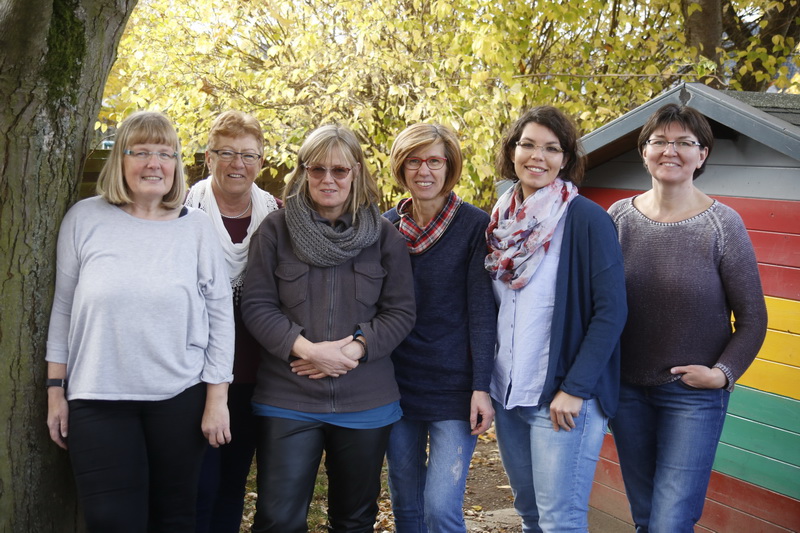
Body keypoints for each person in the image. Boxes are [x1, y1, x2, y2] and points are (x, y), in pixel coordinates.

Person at [45, 111, 235, 532]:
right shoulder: (84, 219)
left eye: (165, 154)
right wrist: (55, 389)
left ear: (176, 164)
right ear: (121, 160)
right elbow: (64, 308)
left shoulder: (197, 228)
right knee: (111, 521)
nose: (154, 163)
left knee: (174, 519)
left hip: (179, 397)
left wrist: (217, 399)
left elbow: (221, 316)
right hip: (97, 398)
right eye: (142, 152)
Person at [240, 124, 416, 533]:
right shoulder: (276, 230)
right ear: (303, 172)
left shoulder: (384, 236)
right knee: (278, 521)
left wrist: (352, 351)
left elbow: (400, 311)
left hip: (366, 401)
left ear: (356, 172)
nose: (328, 179)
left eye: (339, 170)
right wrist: (308, 350)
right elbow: (257, 305)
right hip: (288, 397)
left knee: (354, 521)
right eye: (317, 169)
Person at [607, 103, 768, 533]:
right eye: (659, 141)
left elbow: (753, 318)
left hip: (692, 397)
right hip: (626, 393)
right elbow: (596, 304)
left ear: (702, 155)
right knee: (646, 518)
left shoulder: (723, 225)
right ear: (644, 152)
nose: (670, 151)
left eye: (684, 142)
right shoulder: (618, 219)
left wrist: (722, 374)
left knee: (670, 522)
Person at [486, 106, 627, 533]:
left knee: (559, 521)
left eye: (551, 148)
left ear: (565, 159)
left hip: (561, 400)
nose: (537, 157)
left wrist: (575, 388)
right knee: (530, 516)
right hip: (509, 393)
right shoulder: (500, 220)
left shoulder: (586, 219)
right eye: (528, 145)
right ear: (512, 151)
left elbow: (611, 311)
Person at [382, 123, 496, 533]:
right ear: (401, 167)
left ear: (450, 167)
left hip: (454, 388)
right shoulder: (385, 227)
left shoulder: (474, 226)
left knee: (440, 508)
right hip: (396, 385)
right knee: (405, 505)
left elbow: (482, 311)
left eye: (434, 160)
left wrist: (481, 386)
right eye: (414, 161)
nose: (424, 170)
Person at [185, 110, 279, 533]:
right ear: (208, 158)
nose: (237, 163)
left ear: (261, 161)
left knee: (232, 484)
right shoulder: (181, 213)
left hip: (254, 376)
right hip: (193, 376)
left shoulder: (276, 217)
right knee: (197, 486)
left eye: (248, 154)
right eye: (226, 153)